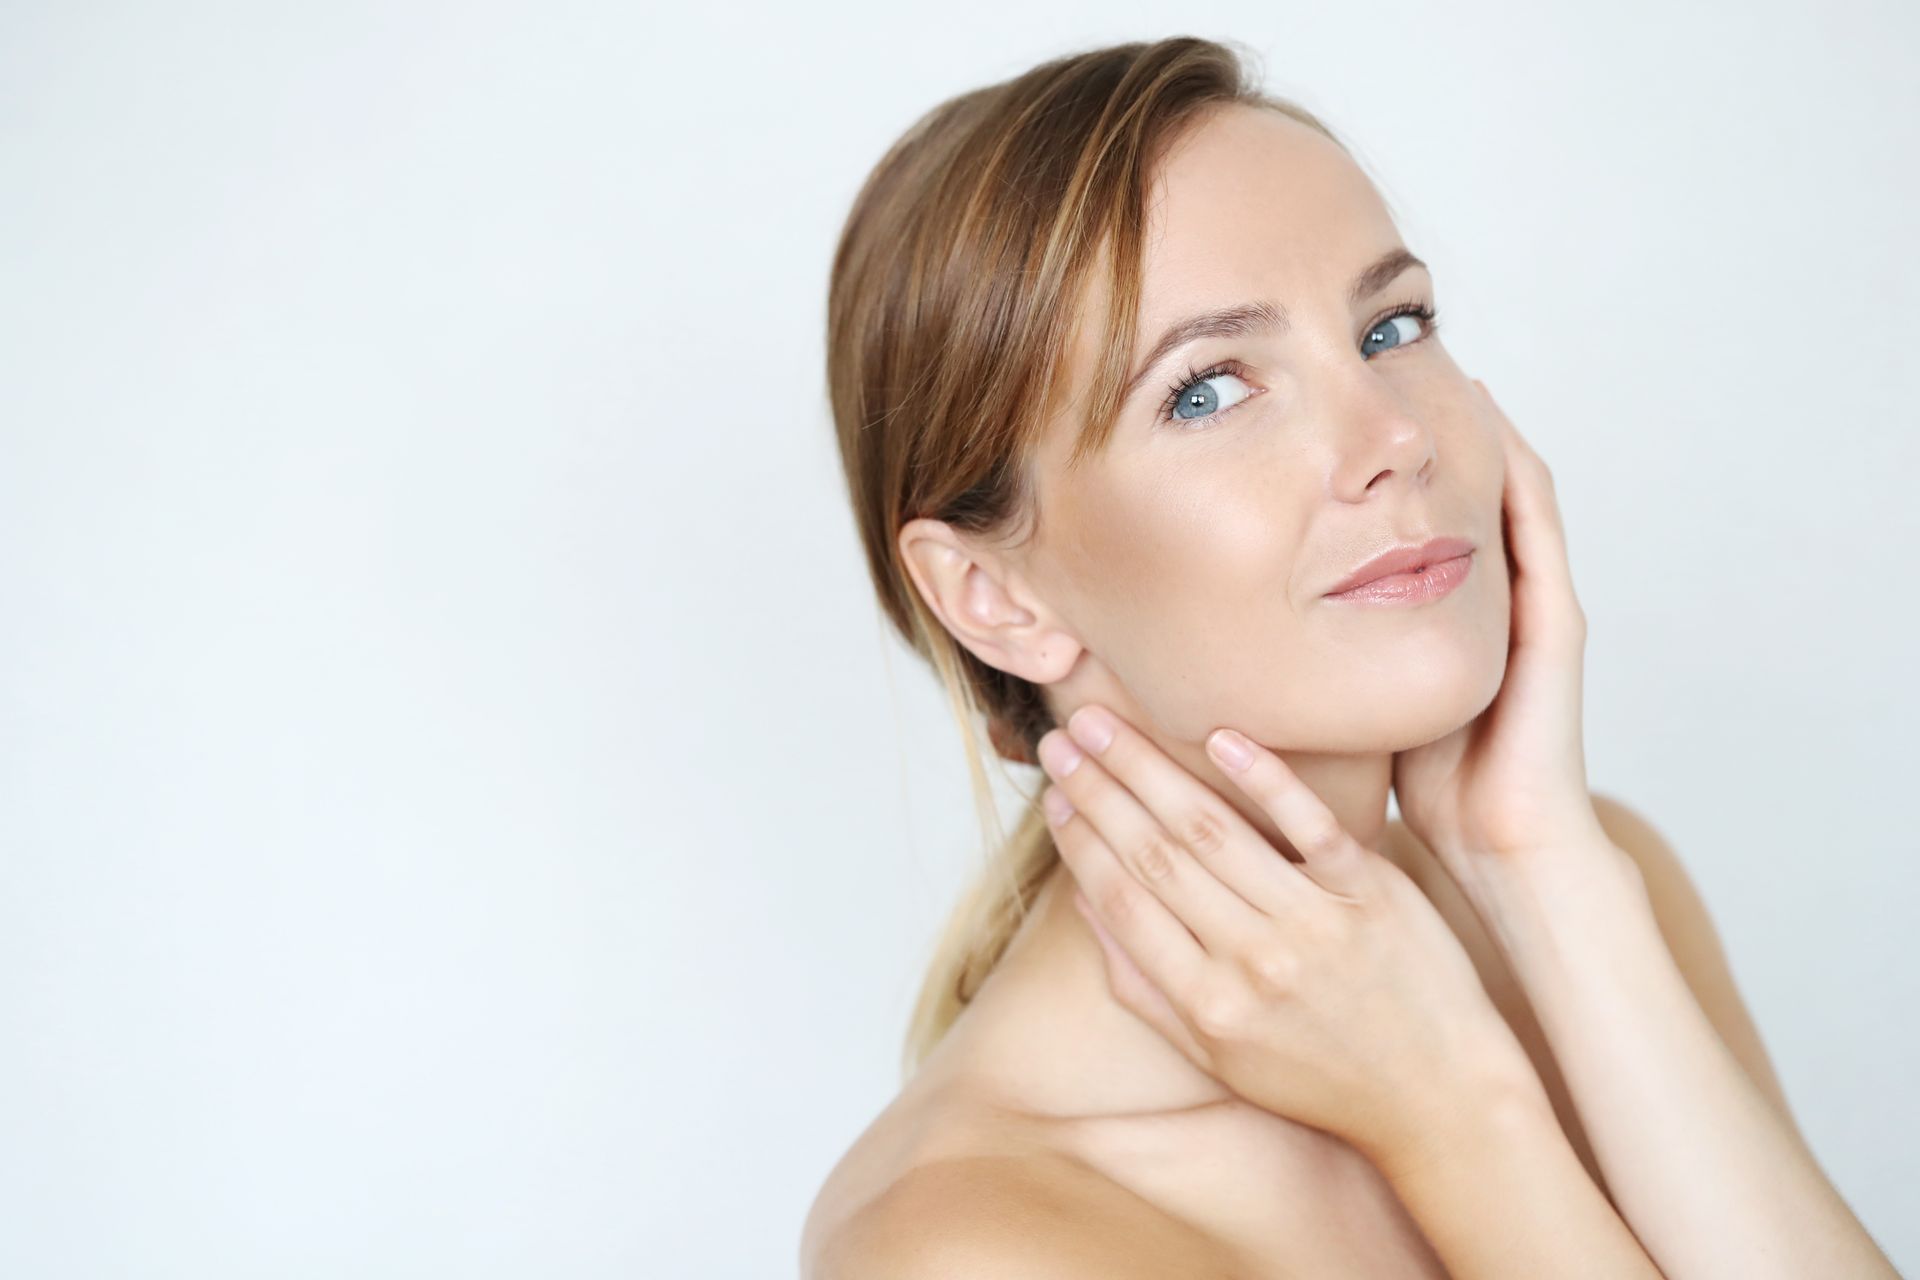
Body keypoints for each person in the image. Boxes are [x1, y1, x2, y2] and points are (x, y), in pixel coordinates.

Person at [802, 35, 1896, 1279]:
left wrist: (1539, 872)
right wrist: (1456, 1115)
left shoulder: (1593, 885)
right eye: (1209, 389)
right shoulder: (970, 1237)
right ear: (992, 595)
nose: (1394, 438)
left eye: (1392, 325)